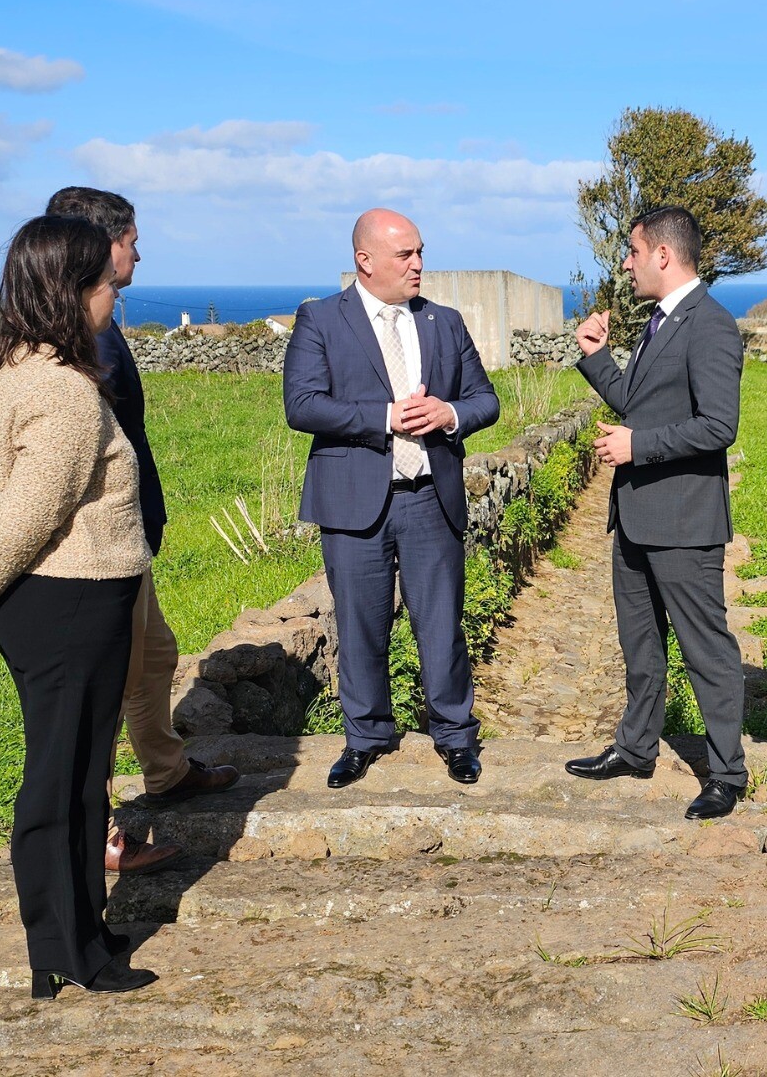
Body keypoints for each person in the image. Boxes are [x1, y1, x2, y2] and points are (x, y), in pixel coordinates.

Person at [0, 214, 158, 997]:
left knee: (81, 772)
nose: (112, 299)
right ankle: (63, 951)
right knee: (61, 778)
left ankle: (85, 928)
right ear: (72, 292)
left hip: (40, 602)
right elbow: (32, 509)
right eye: (103, 286)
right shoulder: (63, 390)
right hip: (72, 601)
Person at [43, 187, 239, 877]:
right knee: (99, 685)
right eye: (131, 238)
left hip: (126, 536)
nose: (138, 250)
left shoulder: (98, 319)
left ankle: (165, 770)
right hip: (95, 548)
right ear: (99, 245)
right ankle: (97, 832)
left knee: (154, 655)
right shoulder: (74, 333)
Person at [283, 208, 500, 789]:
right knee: (358, 626)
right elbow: (301, 405)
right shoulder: (320, 319)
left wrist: (450, 413)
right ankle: (367, 736)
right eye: (405, 255)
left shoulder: (445, 323)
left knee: (441, 624)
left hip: (432, 498)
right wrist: (384, 417)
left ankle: (454, 736)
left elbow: (486, 399)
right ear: (366, 261)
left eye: (420, 251)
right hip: (354, 500)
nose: (419, 265)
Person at [565, 205, 748, 821]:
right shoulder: (657, 321)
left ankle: (727, 772)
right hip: (637, 517)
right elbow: (637, 402)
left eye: (633, 251)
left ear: (663, 255)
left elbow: (719, 425)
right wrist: (596, 356)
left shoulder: (710, 325)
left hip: (685, 522)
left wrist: (636, 446)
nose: (626, 262)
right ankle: (637, 747)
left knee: (705, 649)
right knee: (639, 643)